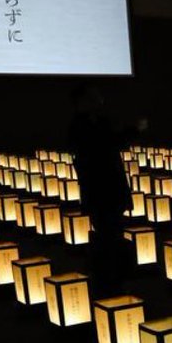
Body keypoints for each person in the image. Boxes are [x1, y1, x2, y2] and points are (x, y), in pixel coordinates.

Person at [68, 84, 141, 296]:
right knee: (106, 234)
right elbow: (104, 145)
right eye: (94, 97)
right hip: (99, 190)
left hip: (111, 189)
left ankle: (114, 278)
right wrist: (130, 132)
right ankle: (107, 281)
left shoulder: (99, 122)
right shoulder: (79, 127)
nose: (100, 100)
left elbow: (112, 143)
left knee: (113, 233)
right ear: (83, 102)